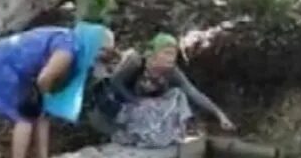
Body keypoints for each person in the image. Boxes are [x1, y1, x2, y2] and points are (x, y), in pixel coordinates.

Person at [0, 24, 117, 158]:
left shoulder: (73, 40)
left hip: (15, 60)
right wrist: (40, 96)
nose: (101, 58)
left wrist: (44, 101)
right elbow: (44, 79)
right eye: (102, 53)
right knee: (24, 116)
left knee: (43, 113)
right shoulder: (67, 51)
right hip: (5, 61)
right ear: (95, 44)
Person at [90, 32, 236, 149]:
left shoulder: (172, 72)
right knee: (145, 108)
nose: (170, 58)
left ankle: (165, 133)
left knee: (178, 96)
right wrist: (135, 101)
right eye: (166, 53)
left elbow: (192, 92)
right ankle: (127, 134)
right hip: (116, 108)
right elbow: (115, 83)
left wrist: (220, 115)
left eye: (173, 54)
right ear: (155, 53)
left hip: (144, 109)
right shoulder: (136, 62)